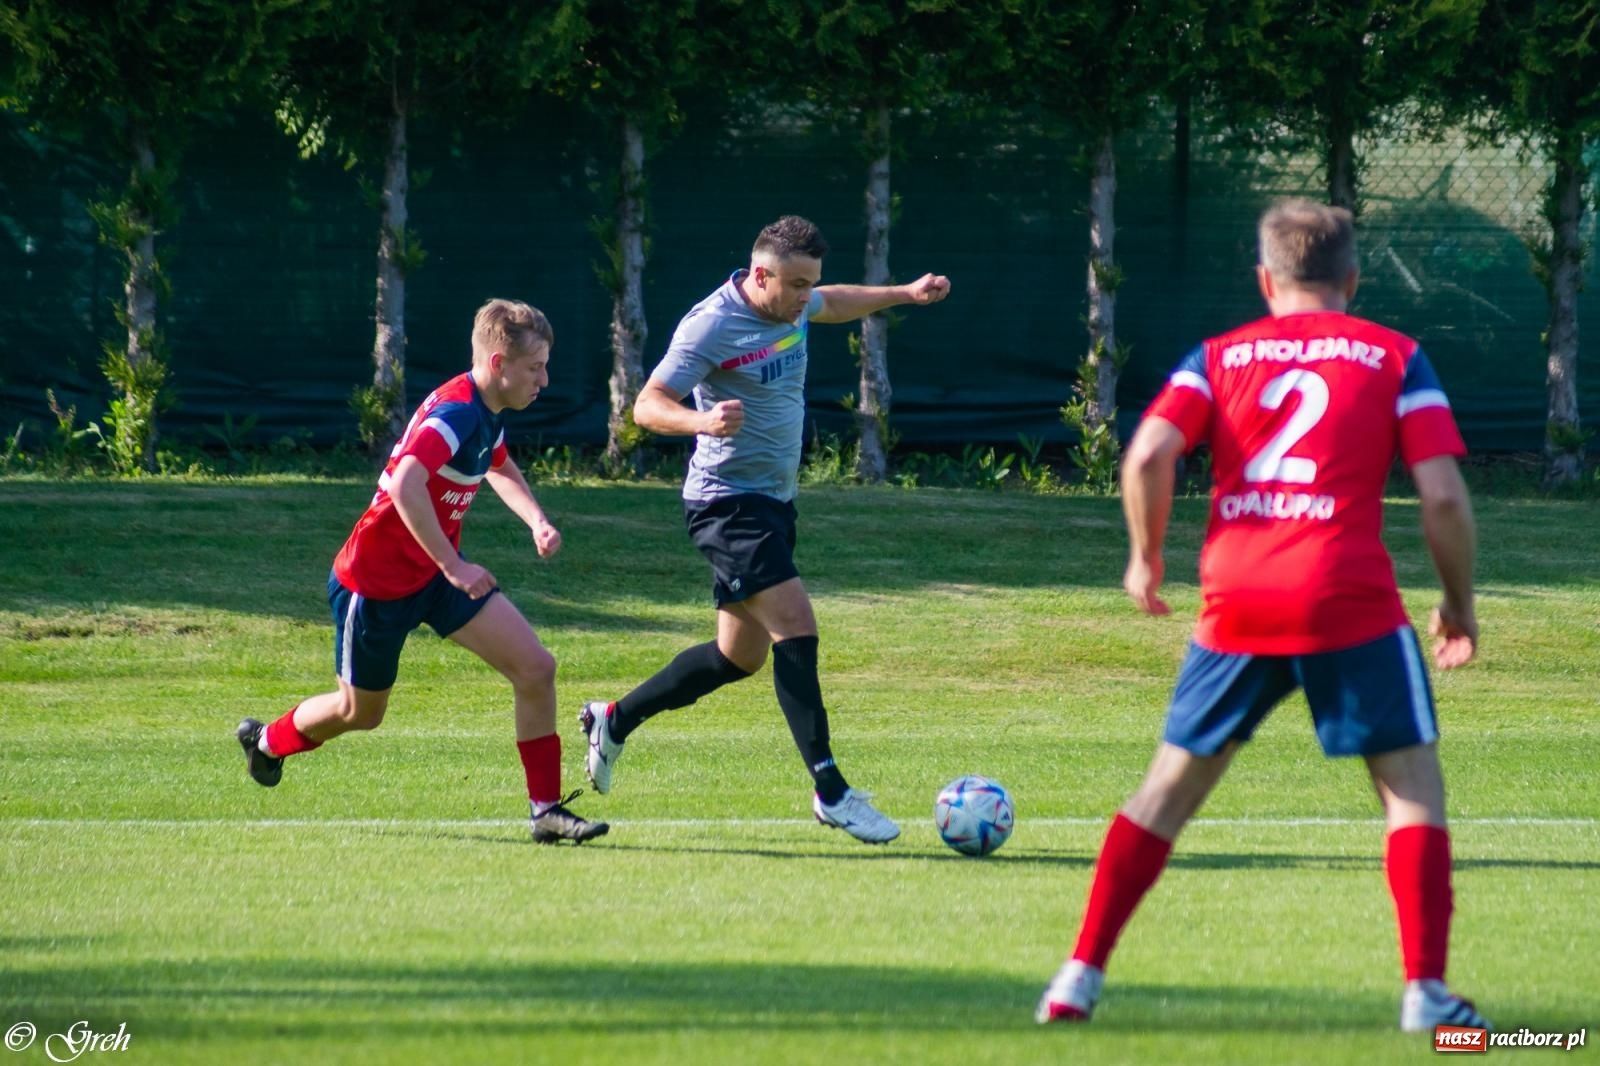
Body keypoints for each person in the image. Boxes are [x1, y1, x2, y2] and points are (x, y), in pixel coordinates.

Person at [1036, 199, 1488, 1032]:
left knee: (1164, 793)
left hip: (1237, 599)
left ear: (1264, 279)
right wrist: (1458, 604)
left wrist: (1145, 554)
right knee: (1412, 793)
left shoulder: (1219, 356)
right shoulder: (1396, 357)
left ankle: (1077, 977)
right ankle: (1427, 992)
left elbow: (1146, 453)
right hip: (1349, 598)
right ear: (1351, 280)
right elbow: (1446, 497)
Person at [576, 215, 950, 844]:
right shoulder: (712, 323)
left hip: (773, 503)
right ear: (760, 276)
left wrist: (903, 294)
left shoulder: (795, 306)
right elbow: (647, 404)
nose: (807, 297)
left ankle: (613, 719)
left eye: (811, 284)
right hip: (727, 506)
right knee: (796, 627)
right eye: (797, 285)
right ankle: (830, 789)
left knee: (736, 657)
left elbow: (834, 304)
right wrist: (701, 423)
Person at [234, 299, 607, 845]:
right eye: (536, 368)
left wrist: (536, 520)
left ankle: (546, 811)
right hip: (376, 584)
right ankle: (267, 741)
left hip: (434, 579)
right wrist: (454, 563)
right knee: (359, 712)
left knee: (535, 669)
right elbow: (407, 482)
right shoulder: (456, 413)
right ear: (500, 363)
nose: (545, 380)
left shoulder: (485, 409)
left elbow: (497, 463)